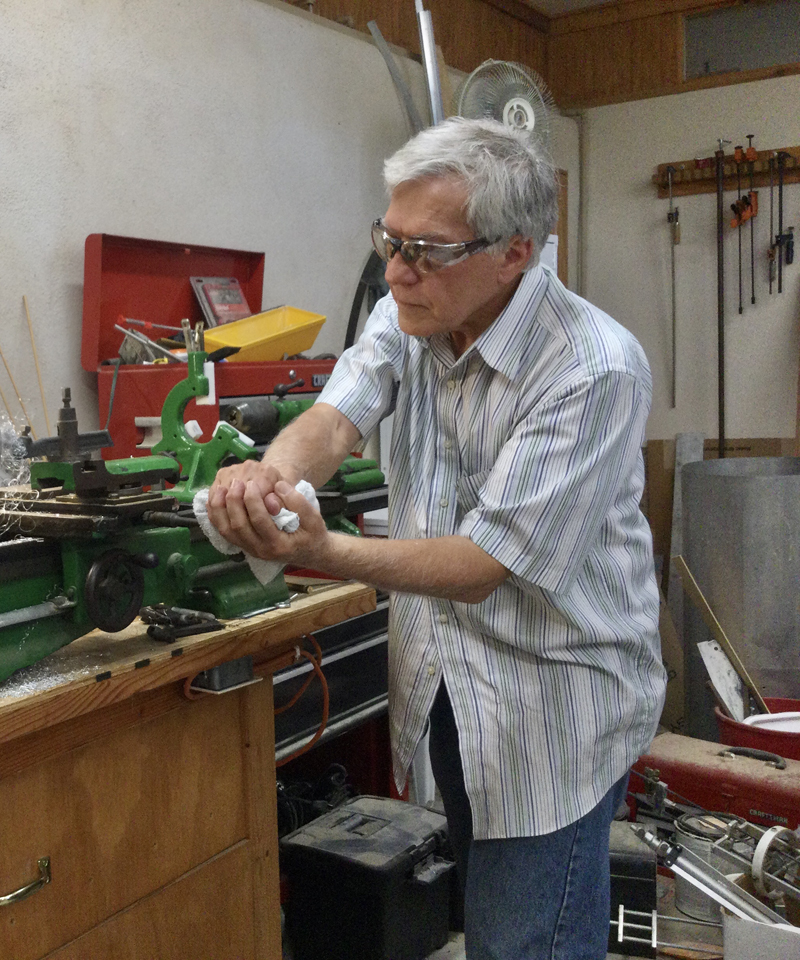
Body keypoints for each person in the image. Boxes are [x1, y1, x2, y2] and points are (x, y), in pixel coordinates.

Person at [207, 117, 665, 960]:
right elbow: (335, 418)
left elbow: (483, 564)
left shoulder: (593, 368)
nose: (396, 271)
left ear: (515, 253)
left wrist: (320, 549)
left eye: (426, 250)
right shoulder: (408, 313)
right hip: (448, 686)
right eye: (390, 239)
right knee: (490, 916)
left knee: (527, 940)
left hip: (552, 706)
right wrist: (268, 481)